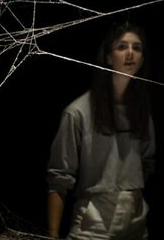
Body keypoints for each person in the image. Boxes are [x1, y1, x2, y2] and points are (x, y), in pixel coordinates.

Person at [47, 22, 155, 239]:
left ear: (143, 59)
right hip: (94, 227)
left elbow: (147, 161)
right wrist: (52, 234)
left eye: (137, 47)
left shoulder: (141, 110)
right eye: (122, 46)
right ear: (108, 57)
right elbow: (59, 179)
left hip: (135, 223)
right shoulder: (78, 112)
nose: (130, 53)